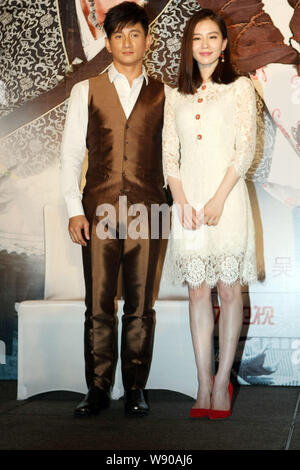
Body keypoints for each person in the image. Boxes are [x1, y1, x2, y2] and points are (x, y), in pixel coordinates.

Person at [60, 2, 167, 416]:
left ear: (147, 40)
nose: (126, 42)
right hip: (99, 208)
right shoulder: (85, 90)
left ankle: (136, 388)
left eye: (134, 34)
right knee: (99, 305)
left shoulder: (165, 94)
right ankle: (99, 388)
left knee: (141, 306)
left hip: (149, 209)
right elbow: (70, 156)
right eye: (118, 35)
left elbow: (173, 156)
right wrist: (73, 207)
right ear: (107, 42)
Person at [162, 8, 257, 419]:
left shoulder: (240, 88)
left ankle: (222, 383)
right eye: (197, 37)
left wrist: (218, 198)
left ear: (223, 44)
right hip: (187, 206)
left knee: (229, 289)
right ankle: (202, 382)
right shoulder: (174, 95)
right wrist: (180, 198)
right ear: (189, 45)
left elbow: (246, 149)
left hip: (227, 200)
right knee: (198, 291)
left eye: (212, 37)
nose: (204, 44)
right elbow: (169, 154)